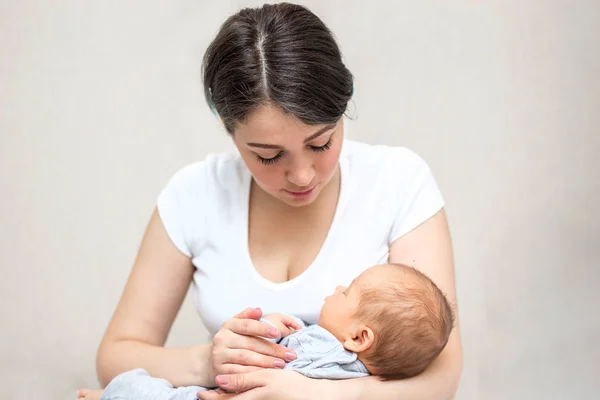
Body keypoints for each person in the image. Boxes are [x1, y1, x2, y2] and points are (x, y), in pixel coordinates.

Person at [81, 2, 463, 399]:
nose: (301, 175)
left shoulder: (398, 182)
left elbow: (441, 379)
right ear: (229, 130)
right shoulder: (193, 195)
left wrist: (298, 393)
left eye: (321, 142)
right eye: (268, 155)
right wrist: (209, 361)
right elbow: (115, 357)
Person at [77, 264, 455, 399]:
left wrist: (270, 327)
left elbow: (279, 362)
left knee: (146, 391)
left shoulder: (322, 348)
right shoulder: (348, 365)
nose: (338, 288)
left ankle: (106, 397)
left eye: (349, 290)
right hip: (219, 385)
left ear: (359, 338)